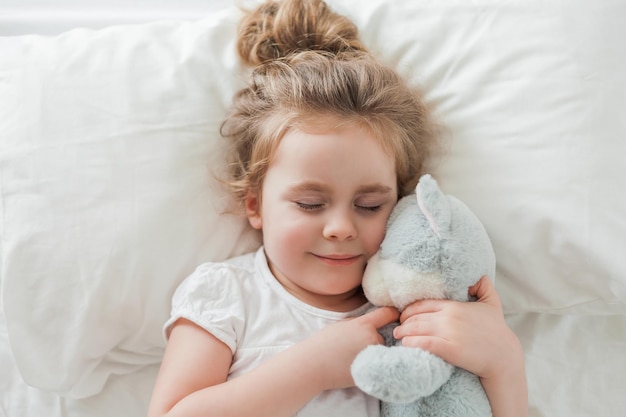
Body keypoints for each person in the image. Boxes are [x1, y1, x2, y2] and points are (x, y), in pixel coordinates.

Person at [147, 0, 528, 416]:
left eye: (369, 205)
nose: (341, 228)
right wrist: (311, 369)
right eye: (310, 204)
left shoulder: (417, 310)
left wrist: (503, 363)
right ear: (255, 204)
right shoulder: (229, 296)